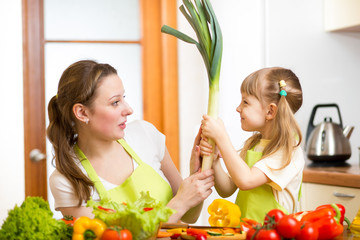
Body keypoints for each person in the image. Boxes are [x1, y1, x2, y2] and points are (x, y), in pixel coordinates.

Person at [47, 60, 215, 223]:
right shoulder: (67, 180)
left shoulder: (145, 135)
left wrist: (196, 175)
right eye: (115, 102)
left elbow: (189, 216)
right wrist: (179, 203)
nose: (128, 109)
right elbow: (118, 236)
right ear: (82, 113)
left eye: (123, 97)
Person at [200, 67, 304, 223]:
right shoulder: (253, 143)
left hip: (274, 234)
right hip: (248, 232)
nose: (238, 108)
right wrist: (215, 160)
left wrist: (222, 137)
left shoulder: (288, 150)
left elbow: (246, 180)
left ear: (270, 111)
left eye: (245, 102)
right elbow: (227, 188)